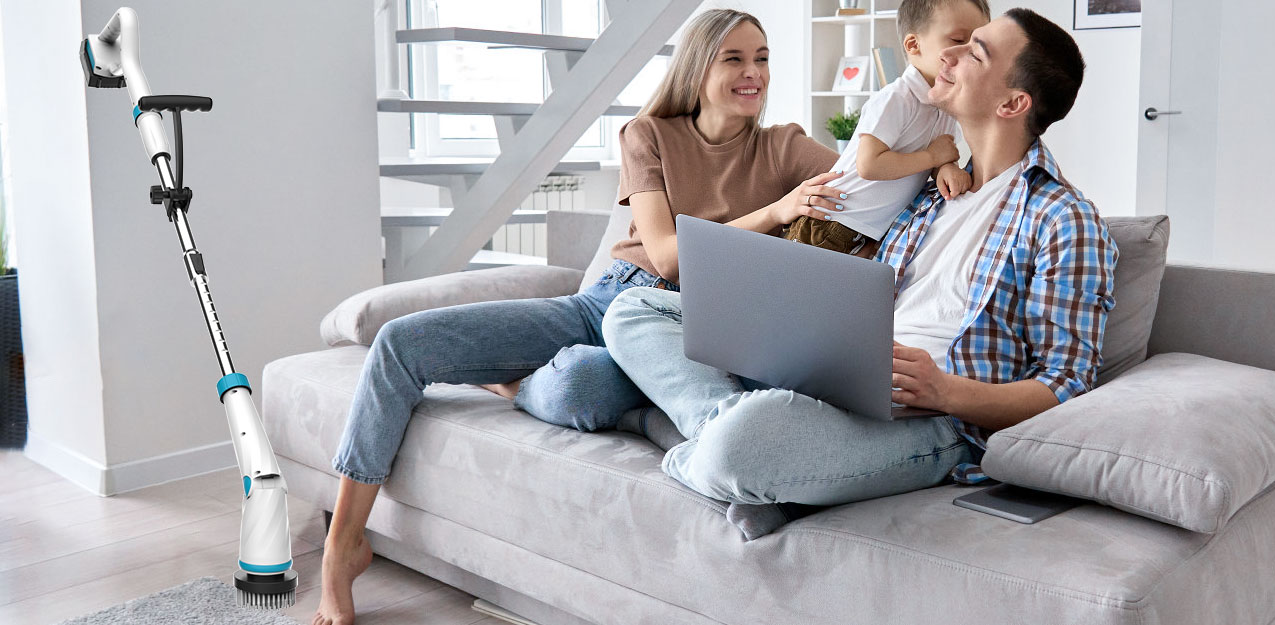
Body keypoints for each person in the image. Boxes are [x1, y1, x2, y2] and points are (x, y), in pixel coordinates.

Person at [312, 10, 842, 625]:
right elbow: (667, 258)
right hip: (608, 303)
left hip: (680, 336)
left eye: (763, 58)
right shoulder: (649, 135)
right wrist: (776, 213)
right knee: (401, 341)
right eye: (735, 59)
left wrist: (940, 159)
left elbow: (873, 173)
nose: (754, 73)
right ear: (699, 68)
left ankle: (512, 382)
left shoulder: (786, 147)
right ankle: (343, 544)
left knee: (582, 386)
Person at [602, 8, 1118, 536]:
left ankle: (702, 439)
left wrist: (944, 391)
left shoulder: (1064, 220)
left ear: (1013, 103)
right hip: (842, 370)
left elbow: (1066, 383)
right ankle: (725, 436)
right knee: (636, 308)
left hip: (931, 420)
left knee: (747, 442)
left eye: (974, 50)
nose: (950, 53)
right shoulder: (925, 193)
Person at [784, 0, 990, 255]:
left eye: (977, 46)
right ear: (914, 46)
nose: (968, 53)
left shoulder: (945, 106)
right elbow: (870, 165)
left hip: (869, 231)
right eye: (959, 40)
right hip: (829, 222)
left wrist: (945, 168)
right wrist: (933, 157)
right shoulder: (897, 98)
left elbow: (938, 152)